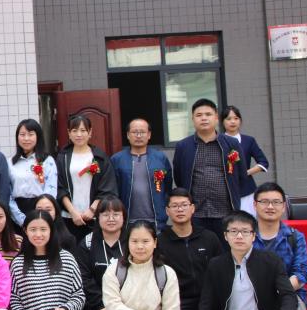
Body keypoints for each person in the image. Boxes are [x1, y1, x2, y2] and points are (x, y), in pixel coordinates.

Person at [252, 182, 307, 310]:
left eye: (276, 202)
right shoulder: (246, 236)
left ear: (284, 206)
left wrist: (278, 291)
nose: (270, 206)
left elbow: (302, 273)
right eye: (265, 202)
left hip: (290, 295)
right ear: (255, 205)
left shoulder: (295, 237)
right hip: (252, 296)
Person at [157, 188, 223, 310]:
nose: (180, 209)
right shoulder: (161, 242)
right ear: (167, 211)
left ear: (192, 208)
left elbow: (221, 270)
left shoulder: (209, 238)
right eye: (175, 206)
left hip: (207, 299)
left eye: (184, 205)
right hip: (179, 301)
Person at [172, 99, 246, 240]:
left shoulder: (231, 144)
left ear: (216, 118)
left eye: (208, 114)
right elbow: (179, 177)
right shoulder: (183, 146)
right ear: (193, 119)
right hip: (195, 214)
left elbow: (241, 175)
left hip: (226, 212)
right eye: (199, 115)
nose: (204, 118)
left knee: (226, 250)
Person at [58, 115, 118, 242]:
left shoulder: (99, 157)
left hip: (94, 217)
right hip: (69, 216)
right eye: (74, 131)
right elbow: (59, 187)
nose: (79, 134)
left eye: (83, 130)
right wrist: (72, 212)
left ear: (90, 132)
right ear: (69, 133)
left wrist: (92, 210)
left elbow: (107, 186)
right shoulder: (62, 157)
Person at [78, 195, 127, 310]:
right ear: (98, 218)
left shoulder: (132, 240)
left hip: (128, 301)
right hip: (97, 302)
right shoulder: (88, 242)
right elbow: (84, 278)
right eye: (105, 214)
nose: (111, 219)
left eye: (116, 214)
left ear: (124, 217)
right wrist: (101, 304)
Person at [110, 118, 172, 230]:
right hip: (127, 221)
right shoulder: (117, 159)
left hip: (156, 220)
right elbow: (113, 191)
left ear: (149, 135)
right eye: (135, 132)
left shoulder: (160, 158)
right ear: (128, 135)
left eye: (142, 132)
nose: (138, 136)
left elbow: (167, 186)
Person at [220, 106, 270, 214]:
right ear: (222, 122)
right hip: (224, 189)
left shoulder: (249, 140)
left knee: (248, 219)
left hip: (246, 189)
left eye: (236, 118)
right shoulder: (218, 141)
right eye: (228, 119)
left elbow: (263, 162)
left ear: (240, 121)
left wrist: (246, 172)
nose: (233, 122)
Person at [8, 119, 57, 226]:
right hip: (17, 212)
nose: (26, 138)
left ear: (38, 137)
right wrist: (20, 218)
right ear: (17, 137)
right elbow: (8, 192)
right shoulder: (10, 163)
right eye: (22, 134)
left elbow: (51, 190)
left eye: (31, 134)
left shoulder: (47, 161)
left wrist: (43, 214)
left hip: (41, 209)